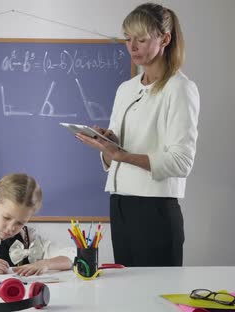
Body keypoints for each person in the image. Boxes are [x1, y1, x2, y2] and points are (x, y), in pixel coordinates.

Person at [75, 2, 199, 267]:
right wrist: (108, 142)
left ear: (165, 38)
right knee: (128, 294)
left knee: (157, 300)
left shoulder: (179, 89)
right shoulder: (126, 89)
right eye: (128, 39)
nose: (132, 47)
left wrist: (122, 154)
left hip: (155, 210)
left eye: (141, 39)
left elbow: (182, 162)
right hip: (120, 204)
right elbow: (116, 155)